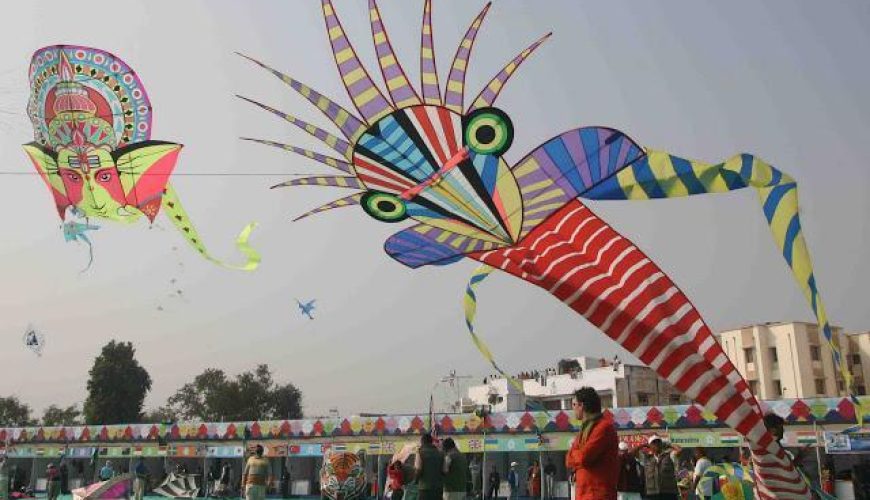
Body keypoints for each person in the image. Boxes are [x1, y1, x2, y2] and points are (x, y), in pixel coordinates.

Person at [565, 387, 619, 499]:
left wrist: (575, 454)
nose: (573, 409)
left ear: (581, 405)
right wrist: (576, 455)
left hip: (597, 493)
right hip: (585, 493)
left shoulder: (603, 428)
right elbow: (568, 460)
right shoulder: (585, 430)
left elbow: (584, 457)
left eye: (574, 404)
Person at [633, 436, 680, 500]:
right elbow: (633, 453)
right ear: (650, 446)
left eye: (658, 442)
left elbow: (679, 450)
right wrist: (643, 445)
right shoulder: (646, 458)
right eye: (654, 443)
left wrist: (668, 444)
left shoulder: (669, 456)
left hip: (669, 493)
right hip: (652, 494)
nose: (656, 444)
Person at [414, 433, 444, 500]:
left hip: (425, 488)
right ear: (431, 442)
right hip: (438, 488)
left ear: (422, 442)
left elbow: (418, 469)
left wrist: (415, 481)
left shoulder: (420, 452)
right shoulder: (440, 453)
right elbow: (444, 470)